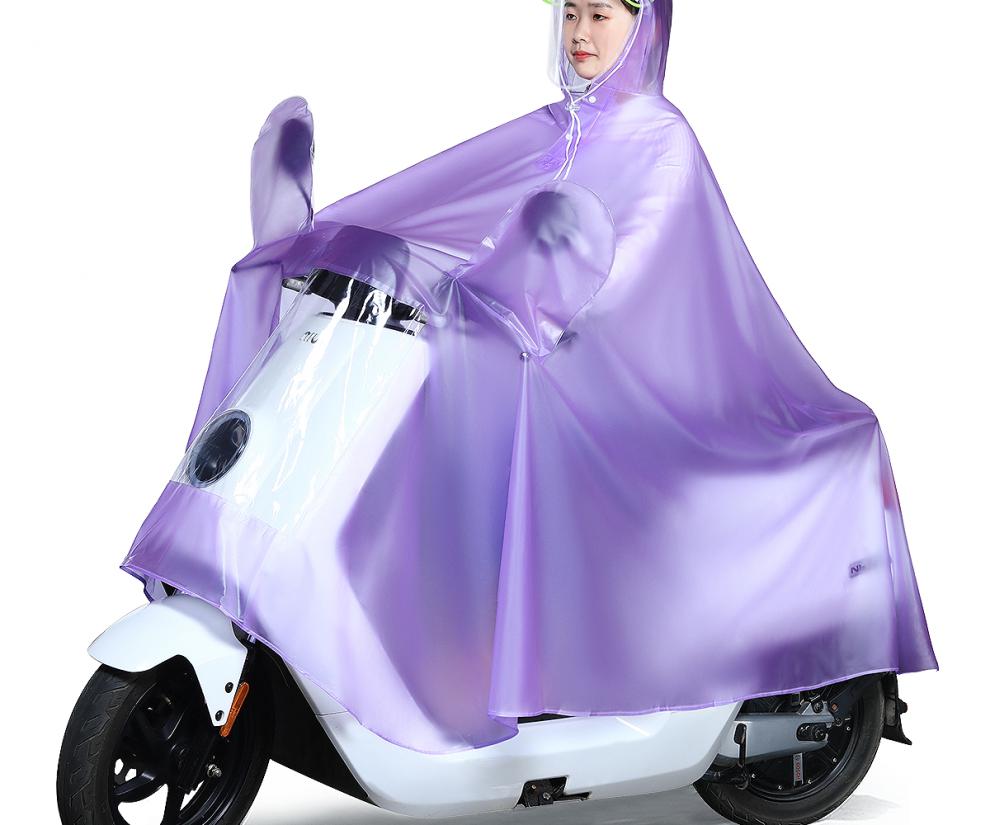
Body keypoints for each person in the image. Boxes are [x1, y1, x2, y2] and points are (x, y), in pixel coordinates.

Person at [124, 0, 938, 756]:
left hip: (627, 383)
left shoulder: (662, 141)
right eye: (570, 11)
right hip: (547, 360)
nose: (579, 31)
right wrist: (339, 240)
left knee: (490, 428)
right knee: (429, 429)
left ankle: (518, 680)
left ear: (645, 25)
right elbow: (453, 205)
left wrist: (538, 305)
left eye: (600, 14)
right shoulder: (559, 128)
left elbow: (633, 270)